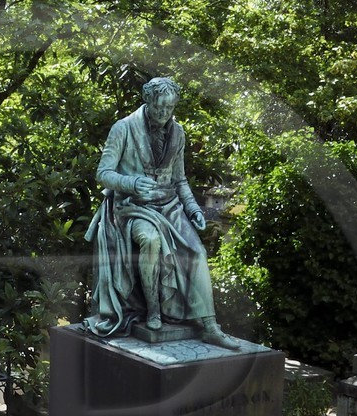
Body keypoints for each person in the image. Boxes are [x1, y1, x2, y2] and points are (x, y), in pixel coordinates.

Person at [83, 77, 243, 350]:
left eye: (169, 109)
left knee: (197, 252)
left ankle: (210, 326)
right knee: (151, 241)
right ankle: (153, 310)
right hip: (132, 208)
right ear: (148, 100)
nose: (164, 114)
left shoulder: (178, 133)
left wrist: (193, 208)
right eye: (159, 108)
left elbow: (179, 180)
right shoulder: (123, 129)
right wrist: (131, 183)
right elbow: (103, 173)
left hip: (170, 206)